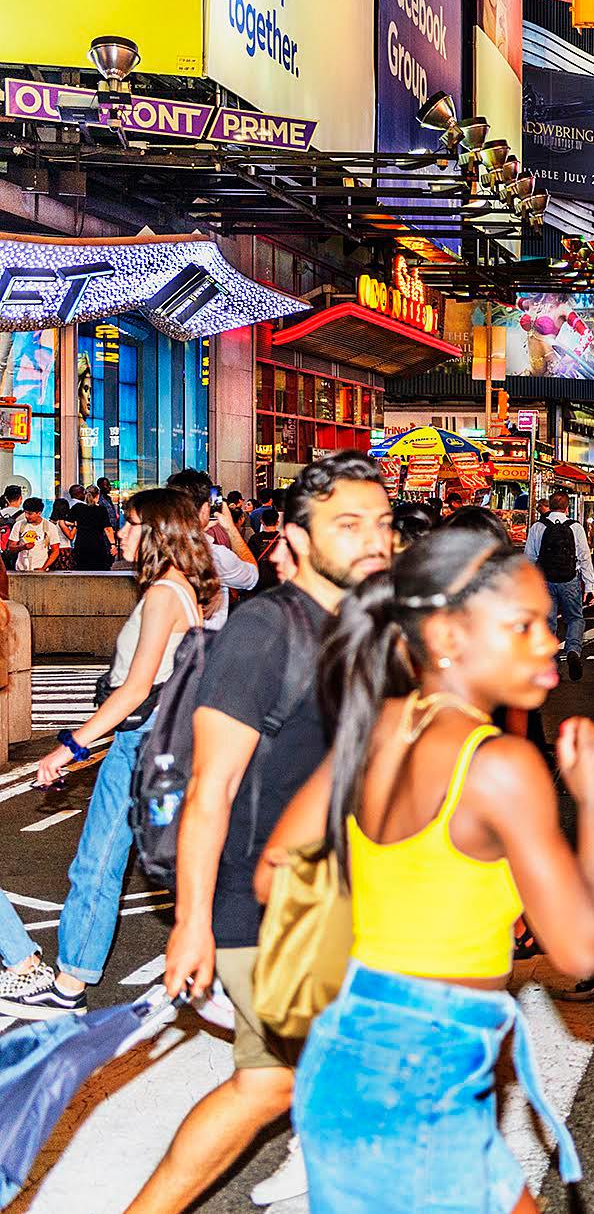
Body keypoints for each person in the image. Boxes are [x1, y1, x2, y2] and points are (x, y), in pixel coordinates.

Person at [255, 529, 594, 1212]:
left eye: (546, 621)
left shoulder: (381, 724)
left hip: (351, 1055)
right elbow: (579, 950)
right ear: (449, 635)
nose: (549, 639)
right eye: (523, 624)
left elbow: (274, 871)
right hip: (424, 1085)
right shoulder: (500, 767)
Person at [135, 453, 393, 1213]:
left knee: (293, 1077)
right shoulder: (266, 632)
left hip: (327, 898)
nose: (374, 539)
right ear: (297, 536)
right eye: (349, 525)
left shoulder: (361, 626)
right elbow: (209, 788)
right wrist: (190, 923)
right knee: (285, 1080)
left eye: (381, 522)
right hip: (256, 902)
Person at [0, 490, 224, 1020]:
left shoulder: (165, 594)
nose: (118, 532)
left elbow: (135, 688)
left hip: (138, 742)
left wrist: (70, 746)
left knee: (99, 864)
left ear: (155, 532)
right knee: (125, 861)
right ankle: (71, 979)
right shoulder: (182, 590)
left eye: (128, 524)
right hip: (154, 741)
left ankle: (66, 984)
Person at [526, 490, 594, 682]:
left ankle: (552, 664)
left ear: (549, 505)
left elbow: (529, 558)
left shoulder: (538, 527)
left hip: (545, 581)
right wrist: (590, 586)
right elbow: (584, 557)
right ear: (567, 507)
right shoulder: (575, 527)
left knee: (548, 622)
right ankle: (573, 649)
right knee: (575, 618)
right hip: (570, 580)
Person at [166, 468, 260, 602]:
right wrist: (231, 528)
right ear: (205, 508)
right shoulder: (213, 555)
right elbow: (252, 577)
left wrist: (201, 528)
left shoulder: (157, 546)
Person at [59, 480, 114, 570]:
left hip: (82, 543)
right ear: (97, 496)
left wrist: (76, 524)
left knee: (82, 569)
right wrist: (113, 544)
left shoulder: (77, 507)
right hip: (98, 544)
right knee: (99, 570)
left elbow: (66, 522)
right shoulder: (101, 509)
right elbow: (107, 528)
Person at [3, 496, 67, 570]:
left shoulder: (50, 527)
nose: (26, 516)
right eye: (25, 513)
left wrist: (44, 568)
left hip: (40, 568)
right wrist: (22, 547)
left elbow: (55, 551)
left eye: (30, 514)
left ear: (39, 513)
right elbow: (11, 547)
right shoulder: (19, 525)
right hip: (21, 569)